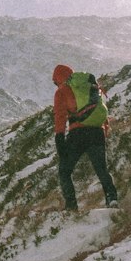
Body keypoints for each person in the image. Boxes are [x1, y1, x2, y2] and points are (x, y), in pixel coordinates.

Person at [52, 63, 118, 211]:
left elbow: (60, 116)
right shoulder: (90, 86)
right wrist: (103, 132)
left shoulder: (62, 91)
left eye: (55, 83)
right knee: (102, 169)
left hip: (78, 134)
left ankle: (71, 207)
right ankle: (112, 199)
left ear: (58, 79)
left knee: (64, 171)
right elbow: (100, 112)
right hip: (97, 132)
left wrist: (59, 137)